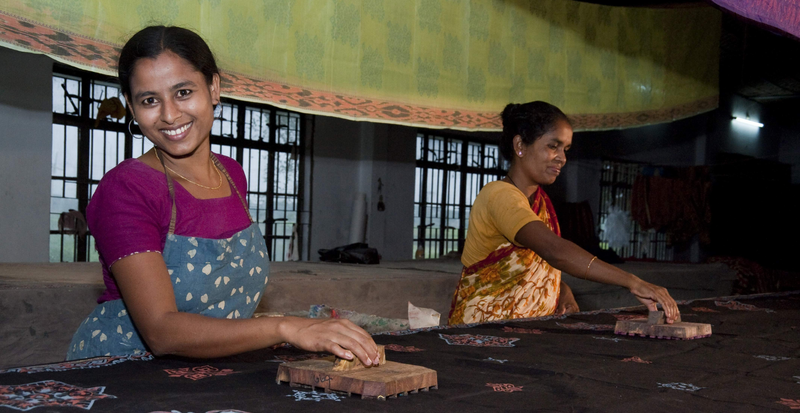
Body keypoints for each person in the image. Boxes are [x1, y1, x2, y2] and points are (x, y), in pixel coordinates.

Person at [66, 26, 380, 366]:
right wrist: (286, 327)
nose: (170, 115)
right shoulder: (126, 190)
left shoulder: (231, 174)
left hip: (211, 367)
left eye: (183, 92)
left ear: (214, 87)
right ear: (131, 106)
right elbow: (160, 332)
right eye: (149, 101)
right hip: (124, 372)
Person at [448, 101, 679, 325]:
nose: (562, 157)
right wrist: (632, 282)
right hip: (483, 333)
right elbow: (554, 250)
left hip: (525, 333)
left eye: (565, 149)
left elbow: (537, 262)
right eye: (553, 146)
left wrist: (561, 289)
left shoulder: (539, 202)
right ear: (520, 145)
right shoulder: (499, 195)